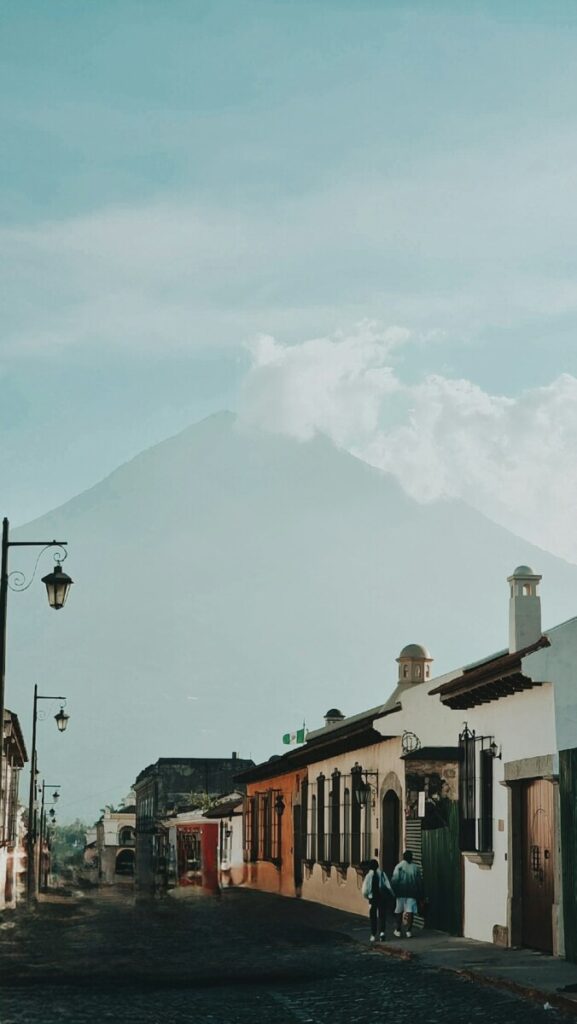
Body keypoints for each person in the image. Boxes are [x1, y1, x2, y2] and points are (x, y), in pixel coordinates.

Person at [361, 858, 395, 943]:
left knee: (373, 917)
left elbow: (365, 890)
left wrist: (367, 896)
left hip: (373, 898)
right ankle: (382, 933)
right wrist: (393, 894)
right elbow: (388, 885)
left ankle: (373, 934)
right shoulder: (382, 873)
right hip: (382, 898)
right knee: (382, 915)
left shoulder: (368, 876)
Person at [391, 850, 423, 938]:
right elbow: (419, 882)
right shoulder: (415, 868)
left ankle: (398, 930)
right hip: (412, 893)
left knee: (399, 911)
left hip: (400, 893)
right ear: (411, 858)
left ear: (403, 857)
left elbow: (394, 881)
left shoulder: (399, 867)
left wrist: (393, 892)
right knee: (410, 911)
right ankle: (409, 931)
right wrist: (421, 894)